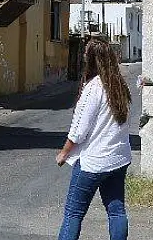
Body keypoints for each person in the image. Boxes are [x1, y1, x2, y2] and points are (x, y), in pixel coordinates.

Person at [55, 38, 133, 240]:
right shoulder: (119, 86)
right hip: (118, 159)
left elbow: (79, 130)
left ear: (90, 60)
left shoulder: (93, 88)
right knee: (116, 211)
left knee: (73, 214)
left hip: (94, 162)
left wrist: (64, 153)